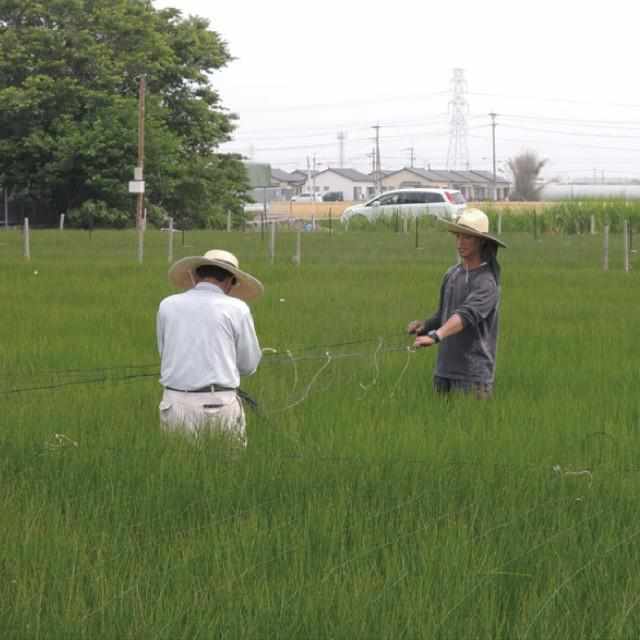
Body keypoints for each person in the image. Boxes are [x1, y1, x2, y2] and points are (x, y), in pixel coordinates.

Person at [157, 249, 263, 444]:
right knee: (226, 469)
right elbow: (248, 365)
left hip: (175, 402)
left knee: (178, 468)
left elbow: (164, 353)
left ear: (194, 275)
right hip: (221, 403)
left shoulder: (167, 305)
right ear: (231, 281)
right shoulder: (238, 308)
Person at [407, 209, 506, 398]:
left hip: (473, 377)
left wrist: (436, 336)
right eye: (458, 236)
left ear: (481, 241)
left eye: (467, 237)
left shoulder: (486, 282)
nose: (460, 243)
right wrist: (425, 326)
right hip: (443, 372)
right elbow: (443, 315)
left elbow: (465, 315)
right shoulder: (452, 274)